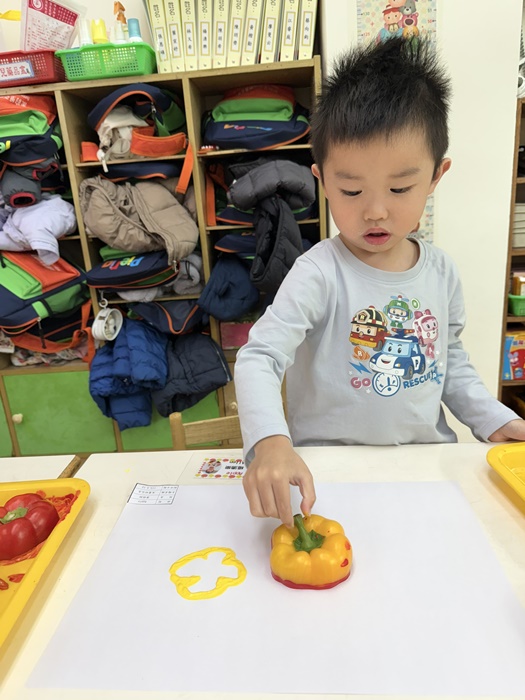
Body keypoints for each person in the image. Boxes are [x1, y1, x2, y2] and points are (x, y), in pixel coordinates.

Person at [234, 37, 525, 528]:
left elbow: (449, 362)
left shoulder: (441, 272)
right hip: (328, 476)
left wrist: (494, 419)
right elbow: (259, 357)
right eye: (351, 190)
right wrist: (270, 442)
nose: (375, 210)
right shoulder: (318, 272)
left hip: (426, 469)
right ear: (322, 180)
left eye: (400, 188)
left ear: (436, 177)